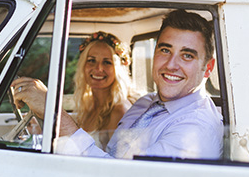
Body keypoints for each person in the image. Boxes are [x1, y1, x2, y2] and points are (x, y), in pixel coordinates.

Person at [56, 9, 223, 160]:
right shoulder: (145, 104)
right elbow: (112, 158)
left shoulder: (196, 128)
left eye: (187, 55)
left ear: (208, 68)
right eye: (165, 50)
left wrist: (62, 122)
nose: (171, 65)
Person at [12, 31, 135, 148]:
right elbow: (76, 143)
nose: (98, 68)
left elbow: (114, 163)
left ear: (118, 68)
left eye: (107, 62)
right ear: (83, 65)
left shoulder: (119, 111)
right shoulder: (90, 107)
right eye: (91, 60)